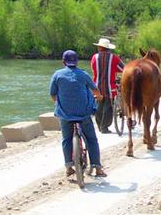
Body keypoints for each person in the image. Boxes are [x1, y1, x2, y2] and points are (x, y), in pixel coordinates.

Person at [49, 49, 107, 178]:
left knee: (66, 140)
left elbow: (53, 95)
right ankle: (97, 168)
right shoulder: (83, 74)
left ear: (63, 62)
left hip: (65, 115)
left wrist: (59, 104)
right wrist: (99, 97)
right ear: (77, 62)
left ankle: (69, 167)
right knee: (92, 140)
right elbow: (95, 90)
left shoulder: (57, 75)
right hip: (83, 114)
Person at [90, 37, 125, 134]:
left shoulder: (94, 57)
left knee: (99, 106)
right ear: (108, 48)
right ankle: (104, 127)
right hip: (110, 87)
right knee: (108, 107)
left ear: (100, 48)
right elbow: (123, 69)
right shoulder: (114, 58)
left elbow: (93, 69)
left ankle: (99, 125)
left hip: (97, 87)